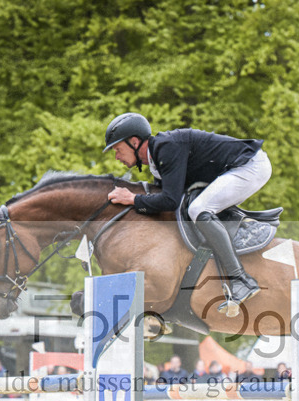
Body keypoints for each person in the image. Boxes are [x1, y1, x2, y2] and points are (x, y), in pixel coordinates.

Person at [103, 112, 270, 315]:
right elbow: (165, 202)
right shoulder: (157, 160)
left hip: (249, 166)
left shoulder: (166, 148)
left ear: (135, 142)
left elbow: (170, 201)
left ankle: (241, 279)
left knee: (198, 209)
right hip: (235, 168)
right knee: (193, 210)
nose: (117, 156)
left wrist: (133, 199)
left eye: (118, 149)